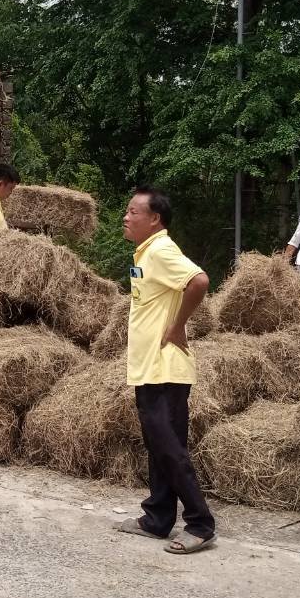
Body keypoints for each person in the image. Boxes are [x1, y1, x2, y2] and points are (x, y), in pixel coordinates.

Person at [112, 188, 217, 555]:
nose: (126, 217)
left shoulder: (161, 250)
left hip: (165, 369)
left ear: (154, 219)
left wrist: (176, 327)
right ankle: (157, 518)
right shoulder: (145, 252)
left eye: (133, 211)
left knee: (170, 448)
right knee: (159, 447)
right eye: (127, 211)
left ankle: (201, 523)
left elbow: (199, 281)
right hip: (148, 368)